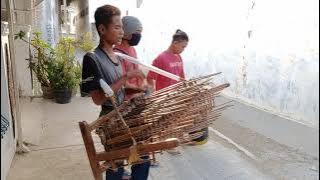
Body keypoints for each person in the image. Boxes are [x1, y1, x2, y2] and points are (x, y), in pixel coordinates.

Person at [81, 4, 150, 180]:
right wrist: (126, 76)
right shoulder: (92, 58)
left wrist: (138, 90)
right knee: (116, 165)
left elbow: (117, 89)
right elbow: (98, 98)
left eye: (122, 28)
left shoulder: (117, 56)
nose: (121, 32)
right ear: (102, 29)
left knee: (142, 156)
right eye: (117, 27)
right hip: (111, 121)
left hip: (124, 114)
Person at [147, 29, 208, 147]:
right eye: (183, 46)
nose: (183, 50)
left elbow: (181, 76)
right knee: (164, 122)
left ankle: (174, 139)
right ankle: (165, 143)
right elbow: (150, 77)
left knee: (176, 119)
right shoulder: (161, 58)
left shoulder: (178, 58)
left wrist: (187, 89)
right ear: (175, 43)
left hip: (176, 96)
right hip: (164, 97)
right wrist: (153, 96)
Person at [113, 16, 147, 101]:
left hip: (135, 98)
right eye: (137, 32)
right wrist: (139, 89)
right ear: (127, 32)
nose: (139, 35)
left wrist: (142, 85)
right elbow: (121, 83)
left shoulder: (132, 49)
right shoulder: (117, 54)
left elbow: (137, 73)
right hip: (123, 102)